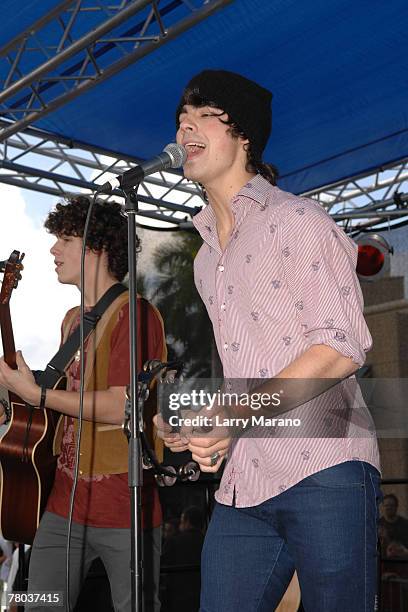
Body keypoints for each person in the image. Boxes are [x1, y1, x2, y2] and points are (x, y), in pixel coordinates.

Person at [155, 69, 382, 611]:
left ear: (244, 137)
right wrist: (210, 425)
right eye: (181, 119)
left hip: (325, 465)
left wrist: (236, 414)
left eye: (204, 116)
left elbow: (341, 345)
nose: (185, 127)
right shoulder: (207, 258)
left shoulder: (298, 220)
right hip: (248, 480)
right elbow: (250, 369)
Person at [0, 195, 166, 611]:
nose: (54, 250)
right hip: (62, 502)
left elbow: (120, 406)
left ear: (98, 247)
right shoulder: (73, 319)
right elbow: (61, 403)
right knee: (39, 603)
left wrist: (35, 393)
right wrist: (16, 395)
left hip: (124, 506)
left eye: (65, 239)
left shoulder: (136, 315)